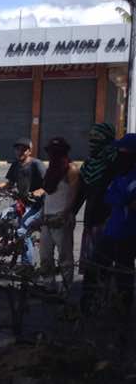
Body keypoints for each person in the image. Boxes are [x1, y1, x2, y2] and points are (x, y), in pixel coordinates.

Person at [90, 133, 136, 312]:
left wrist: (123, 200)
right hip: (111, 231)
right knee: (97, 266)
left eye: (122, 150)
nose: (118, 153)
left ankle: (123, 309)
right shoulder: (119, 175)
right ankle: (95, 301)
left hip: (129, 234)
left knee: (124, 272)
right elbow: (109, 196)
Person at [0, 136, 47, 266]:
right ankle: (6, 247)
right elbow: (10, 183)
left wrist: (39, 191)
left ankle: (27, 266)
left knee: (22, 231)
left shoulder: (37, 164)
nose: (20, 152)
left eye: (23, 150)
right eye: (17, 149)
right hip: (22, 204)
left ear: (30, 151)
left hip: (37, 206)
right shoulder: (16, 164)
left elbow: (48, 184)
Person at [78, 122, 119, 284]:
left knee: (105, 265)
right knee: (90, 267)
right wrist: (70, 214)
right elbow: (81, 194)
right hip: (91, 221)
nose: (92, 141)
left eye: (98, 137)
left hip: (108, 221)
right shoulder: (88, 165)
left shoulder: (116, 163)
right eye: (91, 137)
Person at [39, 136, 80, 293]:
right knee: (45, 256)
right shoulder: (51, 170)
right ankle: (49, 285)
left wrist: (65, 213)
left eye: (56, 152)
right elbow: (47, 195)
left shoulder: (71, 169)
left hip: (61, 219)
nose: (52, 155)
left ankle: (66, 288)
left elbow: (73, 195)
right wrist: (42, 214)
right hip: (47, 218)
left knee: (65, 258)